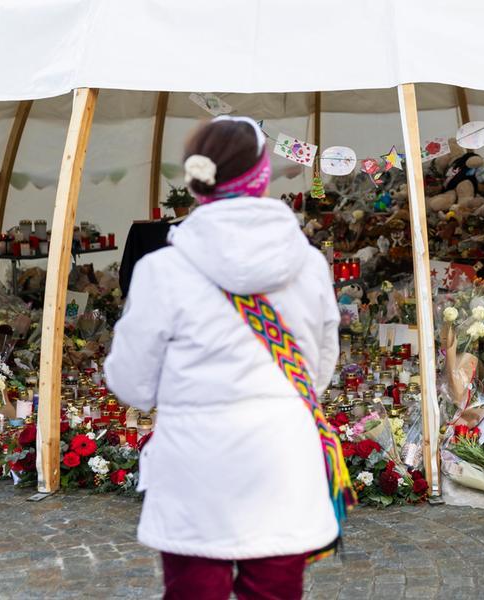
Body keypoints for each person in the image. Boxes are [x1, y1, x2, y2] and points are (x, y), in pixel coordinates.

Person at [105, 116, 354, 599]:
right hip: (283, 459)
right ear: (262, 177)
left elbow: (132, 384)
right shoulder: (309, 265)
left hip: (196, 466)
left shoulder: (162, 270)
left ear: (198, 183)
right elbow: (318, 372)